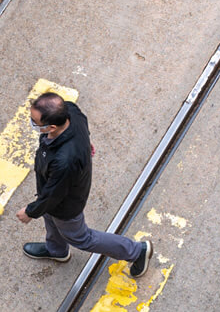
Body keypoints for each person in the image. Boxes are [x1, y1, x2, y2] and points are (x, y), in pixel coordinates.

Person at [16, 92, 153, 278]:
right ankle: (57, 250)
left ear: (52, 127)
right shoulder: (70, 110)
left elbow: (53, 195)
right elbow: (83, 122)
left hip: (65, 203)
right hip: (53, 188)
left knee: (81, 237)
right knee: (49, 217)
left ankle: (136, 251)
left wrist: (30, 212)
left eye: (35, 122)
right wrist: (85, 142)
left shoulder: (64, 161)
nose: (32, 124)